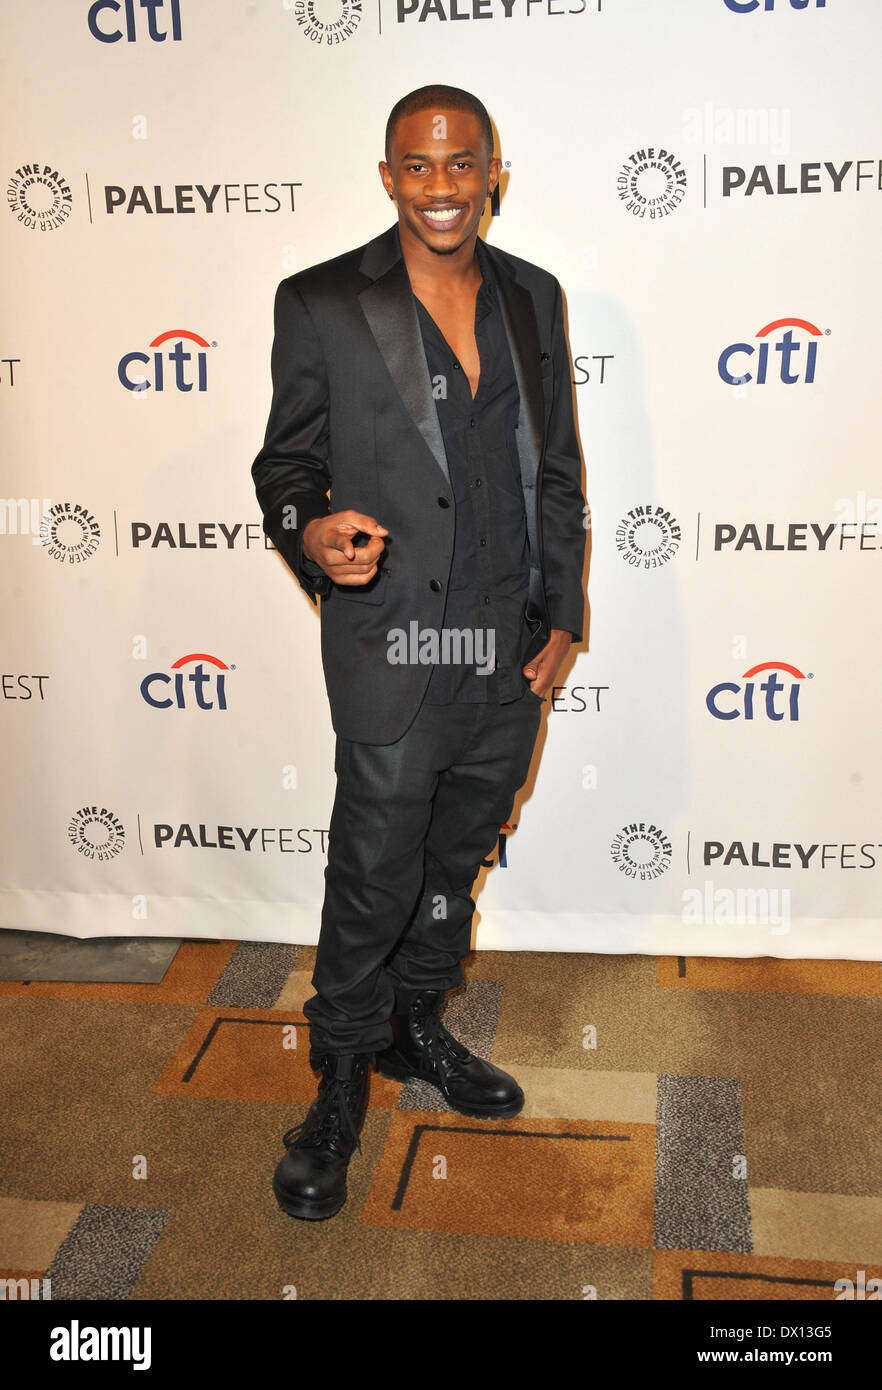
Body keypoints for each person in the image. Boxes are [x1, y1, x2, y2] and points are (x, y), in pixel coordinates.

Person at [251, 84, 587, 1221]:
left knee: (455, 868)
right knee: (373, 876)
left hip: (507, 647)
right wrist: (313, 532)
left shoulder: (534, 298)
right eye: (418, 164)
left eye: (461, 163)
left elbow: (559, 474)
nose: (441, 186)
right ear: (386, 175)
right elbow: (285, 467)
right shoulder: (324, 303)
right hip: (395, 641)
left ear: (494, 171)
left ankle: (415, 1021)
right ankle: (340, 1081)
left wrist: (566, 617)